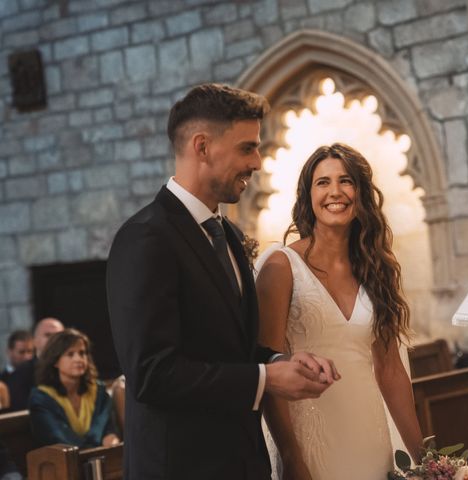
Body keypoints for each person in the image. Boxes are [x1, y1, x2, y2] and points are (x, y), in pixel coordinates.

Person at [106, 83, 339, 480]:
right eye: (247, 147)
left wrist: (280, 362)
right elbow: (152, 374)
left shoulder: (227, 234)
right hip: (182, 468)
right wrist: (266, 379)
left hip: (242, 463)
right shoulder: (146, 238)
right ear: (202, 147)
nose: (259, 161)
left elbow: (233, 348)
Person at [256, 143, 423, 480]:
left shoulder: (377, 270)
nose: (336, 192)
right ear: (308, 195)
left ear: (361, 192)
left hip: (369, 436)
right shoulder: (281, 266)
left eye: (346, 181)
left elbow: (390, 371)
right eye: (323, 182)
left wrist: (427, 459)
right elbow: (268, 368)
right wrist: (292, 457)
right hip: (310, 445)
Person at [28, 329, 119, 448]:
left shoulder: (98, 390)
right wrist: (96, 448)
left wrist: (111, 437)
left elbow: (107, 427)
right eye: (70, 354)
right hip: (61, 462)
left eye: (82, 353)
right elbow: (58, 438)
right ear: (55, 361)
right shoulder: (41, 398)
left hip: (100, 458)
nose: (79, 359)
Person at [4, 318, 63, 411]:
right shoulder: (21, 374)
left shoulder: (76, 369)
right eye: (48, 335)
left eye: (58, 335)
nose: (53, 340)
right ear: (35, 341)